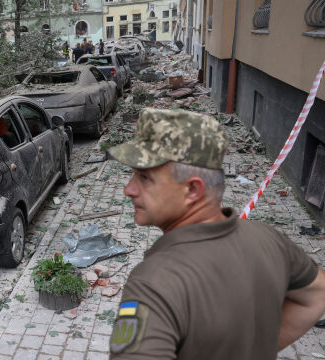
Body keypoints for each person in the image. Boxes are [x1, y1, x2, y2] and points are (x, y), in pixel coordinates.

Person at [106, 108, 325, 359]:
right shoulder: (268, 238)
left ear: (192, 190)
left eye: (144, 177)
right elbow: (317, 293)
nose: (128, 189)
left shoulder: (153, 283)